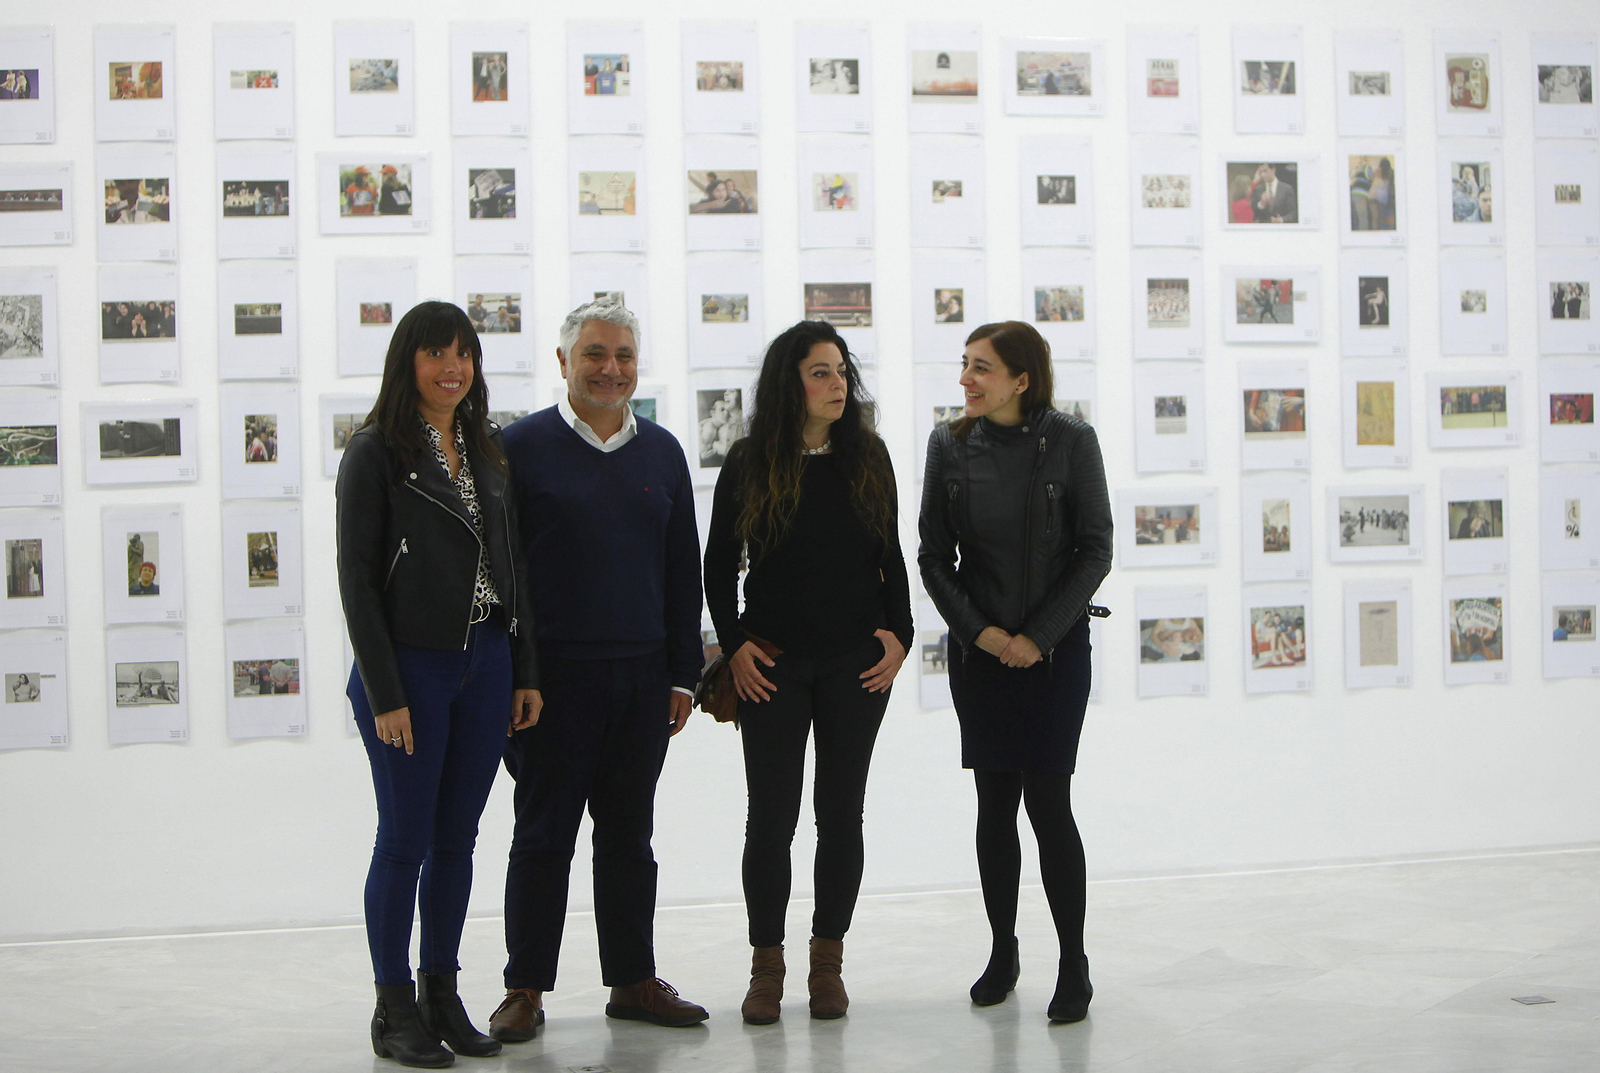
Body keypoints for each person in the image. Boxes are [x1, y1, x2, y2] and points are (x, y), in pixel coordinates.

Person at [492, 297, 708, 1042]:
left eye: (622, 355)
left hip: (644, 680)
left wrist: (685, 676)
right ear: (563, 362)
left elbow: (685, 572)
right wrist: (517, 676)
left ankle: (634, 980)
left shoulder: (664, 452)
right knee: (542, 834)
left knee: (628, 837)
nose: (610, 368)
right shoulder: (519, 448)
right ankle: (525, 987)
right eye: (595, 354)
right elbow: (505, 576)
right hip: (551, 684)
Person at [337, 300, 543, 1068]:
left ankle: (440, 992)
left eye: (464, 353)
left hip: (484, 660)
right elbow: (356, 580)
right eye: (436, 353)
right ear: (408, 361)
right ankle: (392, 1006)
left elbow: (511, 568)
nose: (452, 367)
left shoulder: (485, 450)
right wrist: (385, 690)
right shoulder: (376, 452)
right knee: (405, 839)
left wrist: (523, 669)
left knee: (458, 840)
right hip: (410, 666)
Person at [703, 321, 913, 1025]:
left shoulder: (867, 457)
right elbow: (716, 565)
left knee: (840, 815)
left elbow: (892, 557)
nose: (837, 385)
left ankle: (828, 965)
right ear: (790, 383)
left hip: (855, 665)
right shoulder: (750, 459)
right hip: (775, 667)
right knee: (770, 820)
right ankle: (768, 968)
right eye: (820, 373)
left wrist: (902, 635)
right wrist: (733, 645)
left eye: (841, 371)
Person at [917, 320, 1112, 1025]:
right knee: (994, 804)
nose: (966, 379)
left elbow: (1095, 550)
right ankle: (1003, 950)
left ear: (1022, 379)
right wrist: (986, 633)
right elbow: (933, 557)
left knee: (1049, 805)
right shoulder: (950, 443)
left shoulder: (1071, 440)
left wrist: (1037, 636)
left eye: (981, 368)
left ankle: (1074, 963)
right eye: (965, 365)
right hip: (983, 657)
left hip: (1054, 656)